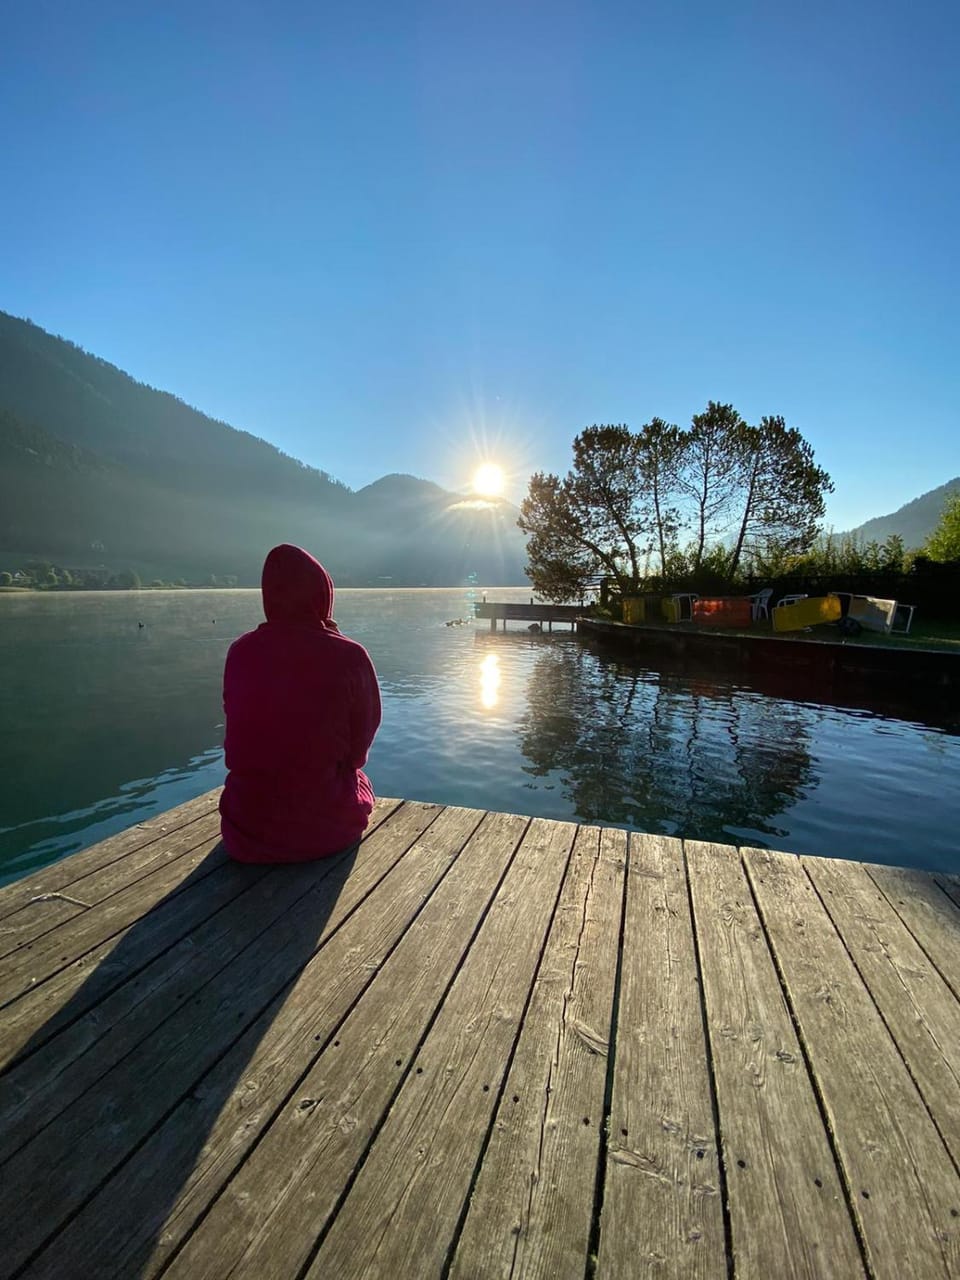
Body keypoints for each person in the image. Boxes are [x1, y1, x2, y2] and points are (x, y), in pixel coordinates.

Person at [219, 544, 382, 863]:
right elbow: (359, 749)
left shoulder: (240, 652)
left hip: (245, 833)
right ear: (323, 593)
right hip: (325, 832)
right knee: (360, 783)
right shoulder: (350, 656)